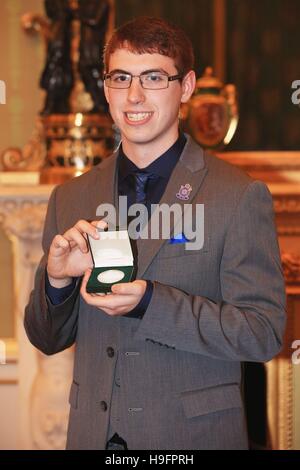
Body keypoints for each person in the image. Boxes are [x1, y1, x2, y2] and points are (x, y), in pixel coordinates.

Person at [25, 16, 286, 450]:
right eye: (121, 77)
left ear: (185, 87)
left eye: (153, 77)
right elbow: (47, 339)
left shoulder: (238, 196)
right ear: (105, 87)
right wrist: (57, 281)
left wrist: (151, 302)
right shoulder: (69, 198)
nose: (134, 95)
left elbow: (262, 333)